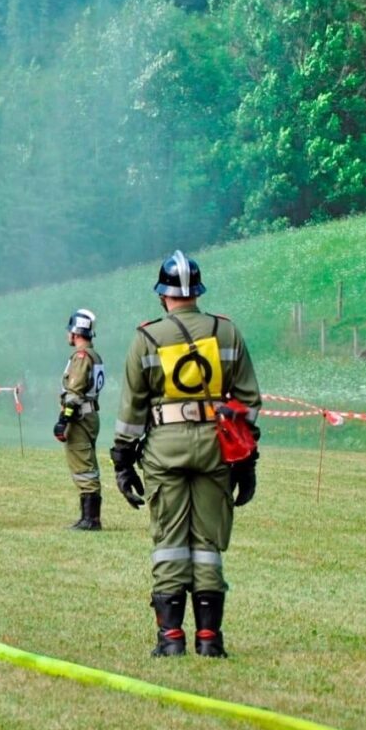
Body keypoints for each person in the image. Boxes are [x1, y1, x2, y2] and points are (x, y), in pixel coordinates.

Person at [110, 251, 261, 657]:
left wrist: (122, 460)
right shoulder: (227, 333)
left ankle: (170, 639)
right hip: (217, 449)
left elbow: (132, 410)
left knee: (170, 543)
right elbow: (248, 403)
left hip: (165, 451)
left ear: (163, 296)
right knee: (208, 543)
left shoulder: (147, 337)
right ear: (197, 292)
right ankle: (210, 640)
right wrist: (247, 460)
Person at [53, 308, 105, 531]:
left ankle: (90, 519)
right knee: (88, 464)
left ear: (75, 333)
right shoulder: (94, 355)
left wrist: (63, 420)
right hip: (90, 415)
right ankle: (89, 517)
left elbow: (74, 393)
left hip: (80, 418)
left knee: (83, 467)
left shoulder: (81, 357)